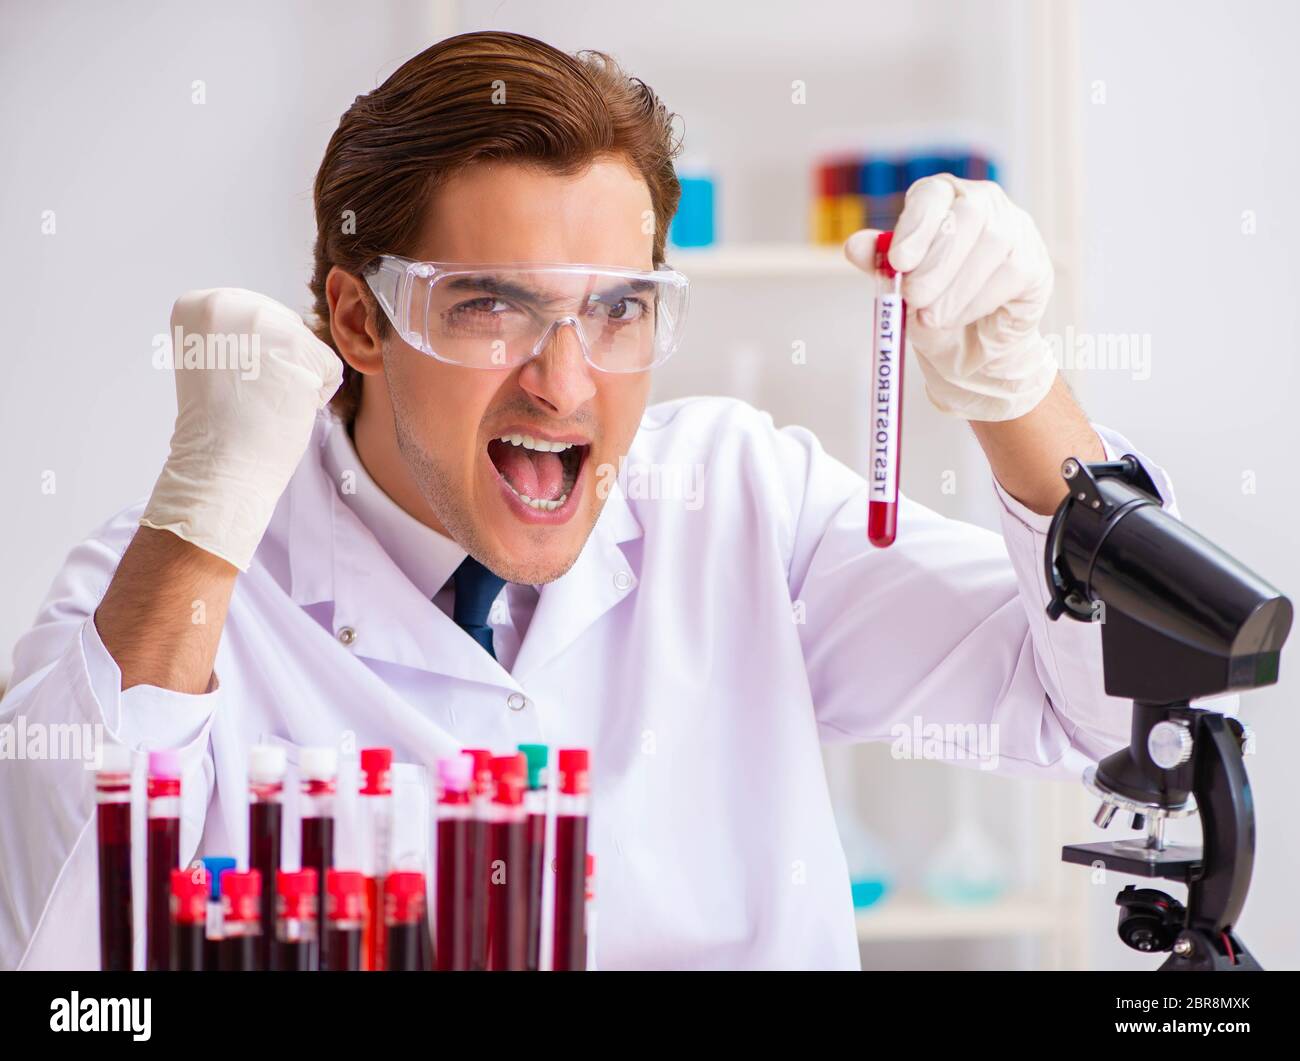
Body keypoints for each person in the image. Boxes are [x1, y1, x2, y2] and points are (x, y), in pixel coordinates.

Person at [0, 30, 1175, 970]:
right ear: (361, 320)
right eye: (488, 305)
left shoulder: (737, 501)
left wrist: (1017, 394)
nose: (564, 382)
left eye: (617, 307)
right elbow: (60, 953)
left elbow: (1116, 721)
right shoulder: (173, 591)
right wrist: (202, 523)